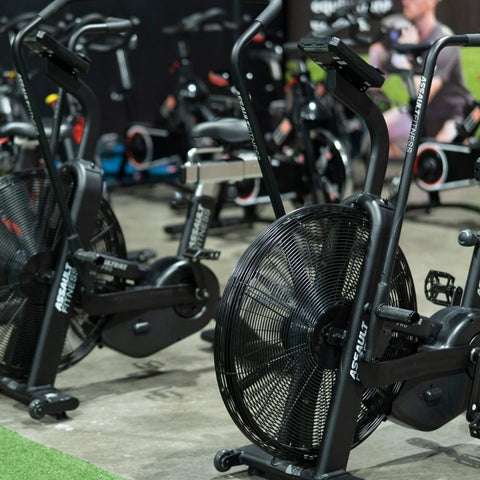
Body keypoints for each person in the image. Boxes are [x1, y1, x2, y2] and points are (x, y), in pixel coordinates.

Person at [369, 0, 474, 158]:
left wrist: (404, 56)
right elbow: (374, 86)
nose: (405, 1)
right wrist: (376, 54)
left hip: (453, 117)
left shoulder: (444, 41)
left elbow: (423, 94)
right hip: (420, 116)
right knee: (375, 130)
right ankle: (403, 163)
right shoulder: (403, 35)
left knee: (430, 161)